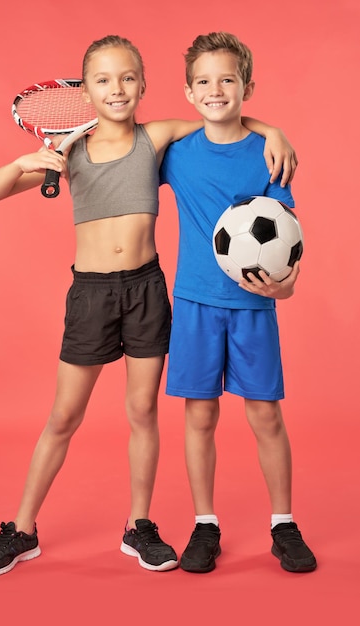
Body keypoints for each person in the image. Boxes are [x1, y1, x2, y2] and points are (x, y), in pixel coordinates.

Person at [0, 34, 297, 577]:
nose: (116, 89)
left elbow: (220, 115)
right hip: (91, 295)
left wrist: (274, 129)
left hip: (146, 289)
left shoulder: (158, 137)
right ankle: (21, 530)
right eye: (102, 80)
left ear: (143, 85)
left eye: (127, 78)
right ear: (86, 93)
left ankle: (138, 526)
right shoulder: (68, 150)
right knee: (63, 416)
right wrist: (24, 161)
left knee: (143, 412)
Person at [159, 31, 317, 574]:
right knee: (199, 415)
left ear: (247, 85)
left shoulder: (269, 155)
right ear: (188, 92)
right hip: (195, 305)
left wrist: (288, 287)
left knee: (265, 415)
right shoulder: (176, 155)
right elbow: (129, 143)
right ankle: (205, 523)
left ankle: (283, 524)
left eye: (228, 79)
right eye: (203, 81)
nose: (215, 89)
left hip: (253, 309)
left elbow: (289, 238)